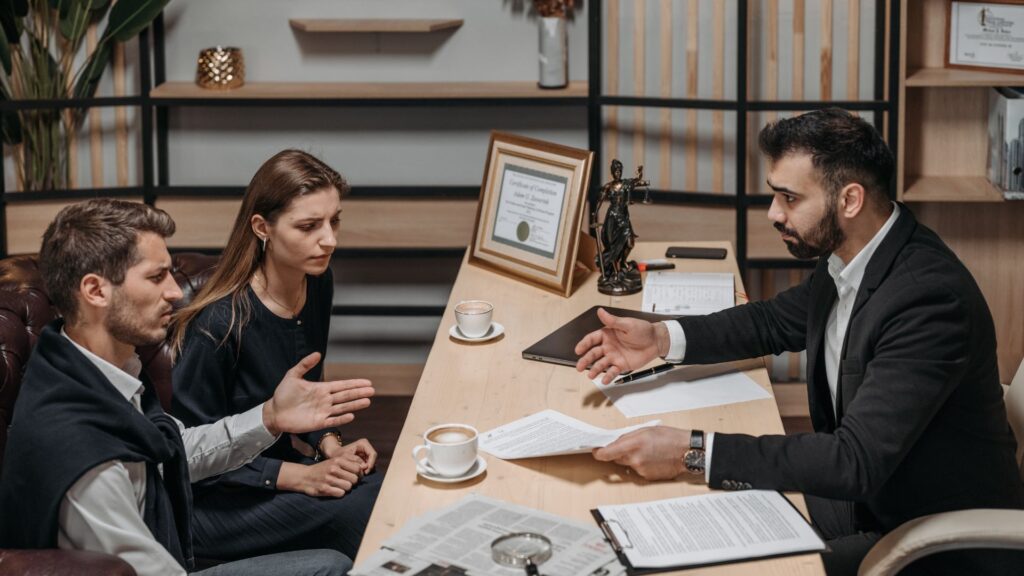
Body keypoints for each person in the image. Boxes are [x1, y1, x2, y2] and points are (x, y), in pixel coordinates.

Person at [574, 109, 1024, 576]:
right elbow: (770, 322)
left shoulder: (927, 300)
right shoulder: (855, 257)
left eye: (789, 198)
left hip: (932, 538)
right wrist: (661, 337)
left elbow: (852, 460)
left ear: (849, 200)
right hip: (871, 497)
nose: (774, 213)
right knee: (673, 525)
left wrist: (692, 450)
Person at [0, 199, 374, 576]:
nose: (175, 292)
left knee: (332, 562)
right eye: (155, 276)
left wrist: (270, 418)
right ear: (96, 291)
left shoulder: (92, 367)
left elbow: (175, 451)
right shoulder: (82, 459)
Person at [168, 150, 381, 562]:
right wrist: (301, 476)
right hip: (210, 507)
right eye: (308, 226)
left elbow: (305, 396)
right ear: (262, 227)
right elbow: (187, 457)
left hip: (275, 480)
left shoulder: (316, 281)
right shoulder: (218, 323)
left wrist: (332, 448)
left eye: (334, 220)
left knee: (381, 488)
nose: (330, 240)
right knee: (365, 509)